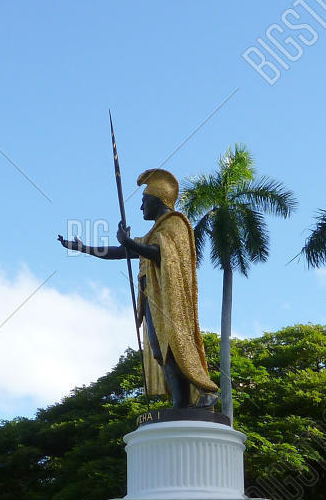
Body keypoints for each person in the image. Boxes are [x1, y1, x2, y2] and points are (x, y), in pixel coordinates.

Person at [59, 168, 219, 409]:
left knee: (174, 345)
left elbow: (161, 254)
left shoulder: (175, 223)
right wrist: (84, 248)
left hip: (169, 302)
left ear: (159, 200)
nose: (141, 207)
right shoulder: (153, 233)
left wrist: (130, 242)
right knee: (159, 351)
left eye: (144, 201)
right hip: (151, 301)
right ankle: (181, 404)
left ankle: (206, 390)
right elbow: (120, 253)